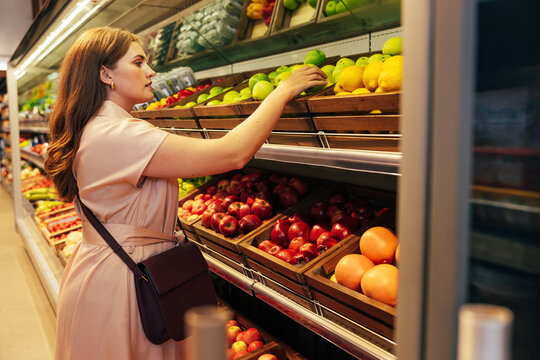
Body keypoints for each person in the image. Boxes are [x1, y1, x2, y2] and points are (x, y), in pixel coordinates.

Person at [44, 27, 326, 360]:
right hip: (128, 282)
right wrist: (281, 92)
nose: (151, 71)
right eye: (138, 62)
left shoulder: (96, 128)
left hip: (113, 271)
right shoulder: (117, 134)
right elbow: (232, 153)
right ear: (106, 74)